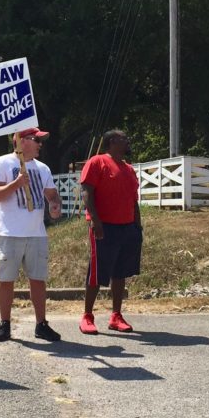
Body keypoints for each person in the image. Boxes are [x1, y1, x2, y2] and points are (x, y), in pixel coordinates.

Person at [0, 127, 62, 342]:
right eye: (35, 139)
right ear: (20, 141)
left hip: (36, 234)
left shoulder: (43, 168)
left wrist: (55, 205)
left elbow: (52, 194)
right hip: (9, 232)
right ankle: (4, 324)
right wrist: (16, 184)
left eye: (40, 140)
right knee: (6, 279)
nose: (40, 144)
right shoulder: (2, 163)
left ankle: (41, 323)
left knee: (38, 279)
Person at [79, 129, 142, 335]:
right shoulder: (97, 162)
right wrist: (95, 220)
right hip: (104, 226)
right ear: (113, 141)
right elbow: (87, 192)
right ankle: (87, 315)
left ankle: (116, 315)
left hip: (128, 227)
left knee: (120, 272)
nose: (128, 141)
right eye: (124, 139)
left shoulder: (129, 169)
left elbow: (134, 200)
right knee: (97, 272)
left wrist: (137, 226)